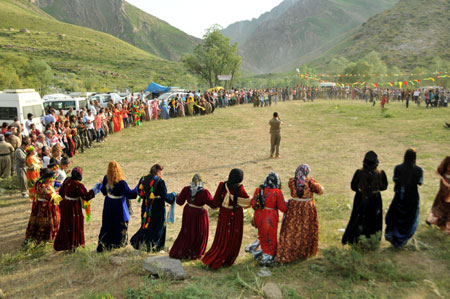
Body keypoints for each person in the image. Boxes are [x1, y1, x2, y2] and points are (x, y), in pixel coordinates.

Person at [202, 169, 251, 270]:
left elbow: (215, 202)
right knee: (233, 236)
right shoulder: (239, 189)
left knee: (222, 235)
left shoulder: (222, 185)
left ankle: (216, 255)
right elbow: (247, 202)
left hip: (224, 214)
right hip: (235, 215)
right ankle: (227, 258)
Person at [276, 165, 324, 263]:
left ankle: (290, 252)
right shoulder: (310, 183)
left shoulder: (292, 182)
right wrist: (315, 182)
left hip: (294, 207)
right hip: (307, 208)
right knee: (306, 228)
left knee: (292, 228)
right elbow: (321, 191)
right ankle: (304, 251)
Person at [342, 151, 388, 247]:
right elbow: (384, 187)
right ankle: (373, 240)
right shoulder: (380, 174)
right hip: (375, 200)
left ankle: (357, 239)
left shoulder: (359, 173)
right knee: (374, 220)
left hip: (361, 199)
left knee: (359, 218)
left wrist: (361, 191)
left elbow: (353, 186)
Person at [130, 164, 177, 252]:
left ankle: (141, 244)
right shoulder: (160, 182)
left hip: (146, 205)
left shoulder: (143, 179)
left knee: (146, 224)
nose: (161, 174)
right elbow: (165, 196)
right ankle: (156, 246)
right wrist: (173, 195)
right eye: (161, 172)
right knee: (158, 226)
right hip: (157, 206)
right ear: (158, 172)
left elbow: (140, 192)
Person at [54, 167, 101, 251]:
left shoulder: (67, 180)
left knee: (65, 223)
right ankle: (73, 244)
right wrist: (95, 189)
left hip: (65, 204)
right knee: (74, 224)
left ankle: (64, 244)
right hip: (73, 207)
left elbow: (61, 192)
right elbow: (86, 196)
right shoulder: (78, 185)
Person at [246, 172, 287, 266]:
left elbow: (253, 204)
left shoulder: (258, 189)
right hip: (269, 218)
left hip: (259, 216)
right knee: (270, 237)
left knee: (262, 235)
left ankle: (261, 252)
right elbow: (283, 208)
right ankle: (268, 256)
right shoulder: (277, 192)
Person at [169, 174, 214, 260]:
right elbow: (212, 204)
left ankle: (183, 250)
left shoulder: (186, 189)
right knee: (198, 232)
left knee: (187, 232)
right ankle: (194, 252)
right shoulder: (205, 192)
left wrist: (178, 195)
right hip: (199, 214)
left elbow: (180, 202)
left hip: (188, 212)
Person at [385, 149, 423, 248]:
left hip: (400, 196)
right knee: (410, 218)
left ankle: (393, 235)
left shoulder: (398, 168)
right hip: (412, 197)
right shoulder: (418, 170)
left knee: (397, 215)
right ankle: (403, 238)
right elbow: (420, 182)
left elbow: (394, 179)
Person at [97, 161, 138, 252]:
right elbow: (130, 194)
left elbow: (104, 192)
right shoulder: (121, 182)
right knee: (119, 224)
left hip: (108, 203)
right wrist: (137, 188)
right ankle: (118, 243)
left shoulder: (106, 178)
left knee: (108, 223)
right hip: (118, 205)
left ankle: (105, 244)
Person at [25, 163, 62, 243]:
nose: (53, 179)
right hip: (46, 208)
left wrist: (57, 190)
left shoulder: (40, 183)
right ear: (47, 178)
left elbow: (51, 193)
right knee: (46, 223)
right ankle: (46, 238)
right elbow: (52, 197)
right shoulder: (45, 187)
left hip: (40, 205)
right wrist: (62, 194)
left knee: (38, 222)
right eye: (52, 178)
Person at [426, 156, 450, 234]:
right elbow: (438, 172)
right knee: (442, 205)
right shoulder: (447, 160)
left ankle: (445, 224)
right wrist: (445, 182)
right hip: (445, 189)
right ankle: (438, 221)